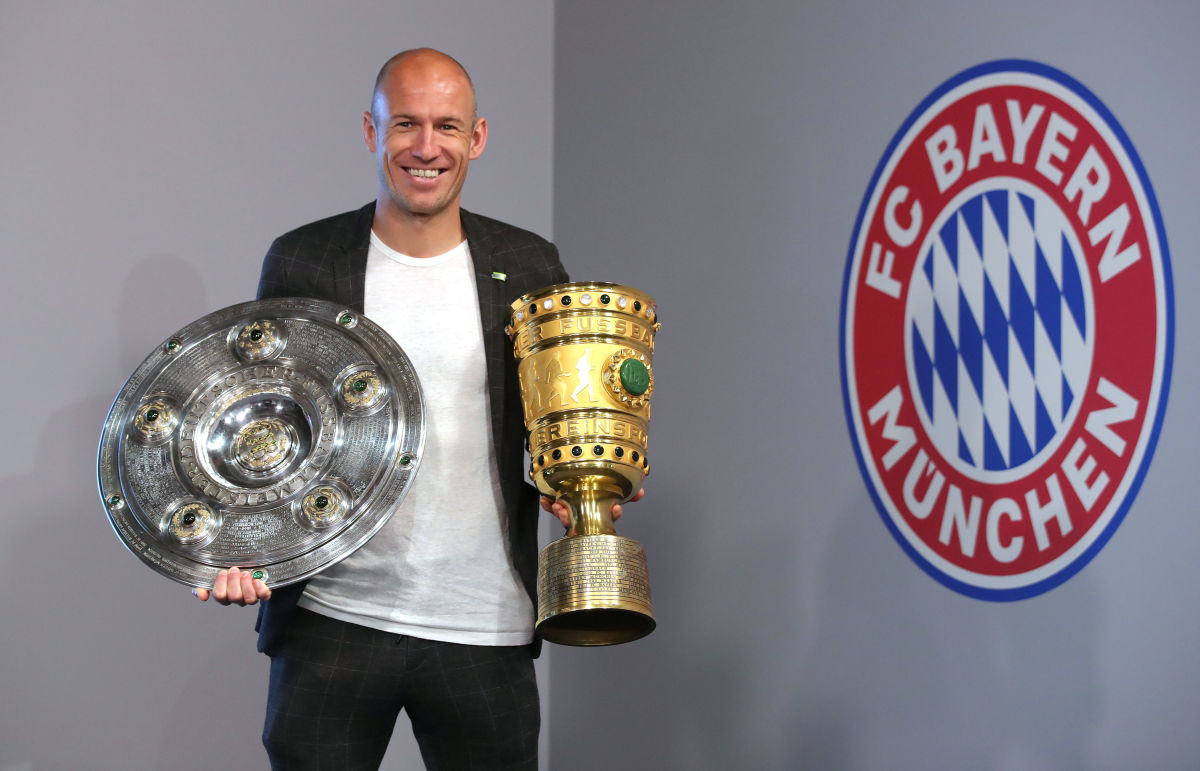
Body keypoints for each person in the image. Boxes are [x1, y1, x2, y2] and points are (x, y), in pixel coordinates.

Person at [192, 48, 639, 770]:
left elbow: (556, 420)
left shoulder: (530, 265)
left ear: (477, 137)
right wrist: (241, 544)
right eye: (405, 123)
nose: (426, 147)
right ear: (372, 132)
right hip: (333, 618)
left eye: (447, 126)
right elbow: (263, 420)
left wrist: (585, 482)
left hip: (482, 622)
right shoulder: (305, 259)